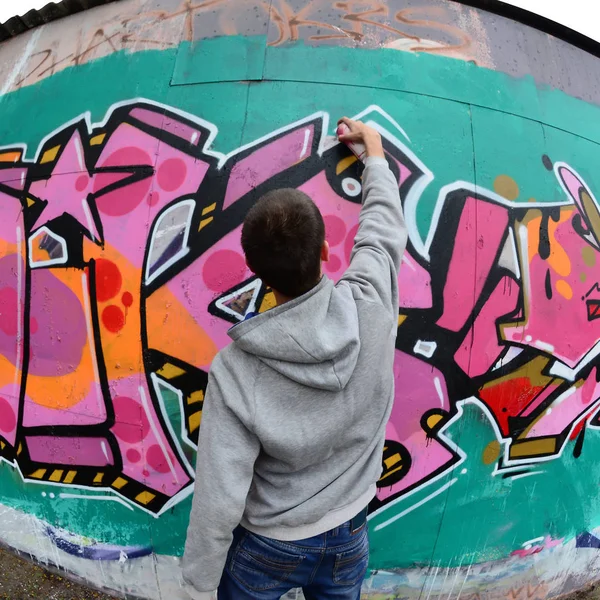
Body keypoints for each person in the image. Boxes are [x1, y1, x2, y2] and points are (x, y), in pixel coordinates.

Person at [182, 117, 407, 600]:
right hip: (350, 532)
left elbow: (219, 496)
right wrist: (373, 151)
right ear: (326, 250)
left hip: (270, 545)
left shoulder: (235, 370)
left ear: (256, 273)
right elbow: (384, 229)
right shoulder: (371, 305)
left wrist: (199, 582)